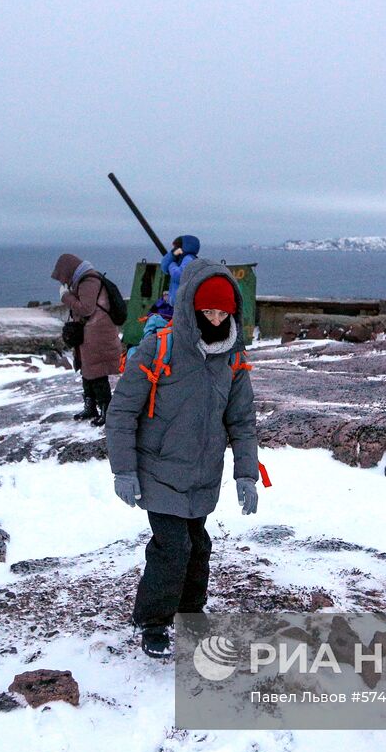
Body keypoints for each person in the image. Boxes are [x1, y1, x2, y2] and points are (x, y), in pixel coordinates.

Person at [106, 258, 260, 658]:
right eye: (206, 310)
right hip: (157, 470)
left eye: (222, 312)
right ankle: (153, 621)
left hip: (203, 474)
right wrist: (123, 470)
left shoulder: (233, 358)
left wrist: (247, 475)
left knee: (198, 546)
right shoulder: (158, 349)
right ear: (191, 306)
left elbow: (242, 421)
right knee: (173, 547)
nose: (213, 319)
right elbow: (122, 411)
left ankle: (191, 615)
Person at [51, 253, 122, 426]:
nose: (63, 282)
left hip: (98, 332)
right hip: (89, 332)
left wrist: (65, 297)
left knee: (97, 371)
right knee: (86, 369)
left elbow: (86, 309)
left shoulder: (88, 281)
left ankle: (107, 410)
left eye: (63, 278)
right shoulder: (81, 280)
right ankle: (91, 407)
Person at [159, 235, 201, 303]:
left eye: (176, 247)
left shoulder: (189, 258)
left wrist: (172, 265)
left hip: (183, 303)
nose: (175, 249)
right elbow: (164, 267)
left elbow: (180, 276)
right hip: (178, 303)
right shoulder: (180, 258)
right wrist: (172, 255)